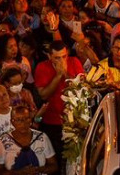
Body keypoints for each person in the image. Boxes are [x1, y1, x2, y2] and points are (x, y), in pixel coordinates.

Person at [34, 40, 83, 168]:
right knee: (55, 161)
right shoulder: (42, 67)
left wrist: (65, 73)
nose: (61, 61)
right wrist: (58, 75)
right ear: (49, 56)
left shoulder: (74, 62)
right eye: (57, 58)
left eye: (64, 56)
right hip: (51, 123)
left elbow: (80, 89)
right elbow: (44, 94)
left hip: (73, 121)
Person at [0, 105, 58, 175]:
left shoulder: (42, 137)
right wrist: (19, 173)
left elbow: (54, 166)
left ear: (30, 120)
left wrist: (38, 169)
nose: (23, 123)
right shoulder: (4, 140)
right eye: (18, 120)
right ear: (12, 122)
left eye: (26, 118)